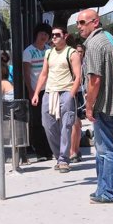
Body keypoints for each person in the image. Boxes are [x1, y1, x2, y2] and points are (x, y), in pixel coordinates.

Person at [77, 9, 113, 203]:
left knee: (107, 149)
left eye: (82, 22)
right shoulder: (110, 39)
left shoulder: (95, 45)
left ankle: (111, 192)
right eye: (78, 23)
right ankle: (103, 189)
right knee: (104, 148)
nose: (79, 26)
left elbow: (95, 80)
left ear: (95, 22)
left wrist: (89, 106)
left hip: (103, 104)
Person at [32, 26, 81, 173]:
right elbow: (43, 74)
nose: (53, 37)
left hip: (66, 92)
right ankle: (58, 155)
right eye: (52, 35)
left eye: (57, 35)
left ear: (65, 36)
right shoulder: (48, 53)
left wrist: (71, 95)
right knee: (48, 126)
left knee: (66, 126)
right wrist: (36, 93)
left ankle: (63, 160)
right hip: (49, 93)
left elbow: (78, 76)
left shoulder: (72, 53)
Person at [23, 22, 53, 161]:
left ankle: (49, 150)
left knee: (49, 120)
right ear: (36, 34)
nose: (44, 36)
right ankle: (40, 151)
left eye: (46, 34)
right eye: (42, 33)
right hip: (36, 91)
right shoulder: (28, 51)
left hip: (49, 91)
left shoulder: (49, 50)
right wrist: (30, 91)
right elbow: (27, 73)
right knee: (37, 121)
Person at [70, 42, 86, 163]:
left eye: (81, 52)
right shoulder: (71, 63)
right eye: (77, 51)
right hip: (72, 93)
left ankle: (76, 149)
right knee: (74, 122)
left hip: (81, 94)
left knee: (78, 123)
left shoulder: (85, 64)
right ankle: (73, 151)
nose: (79, 54)